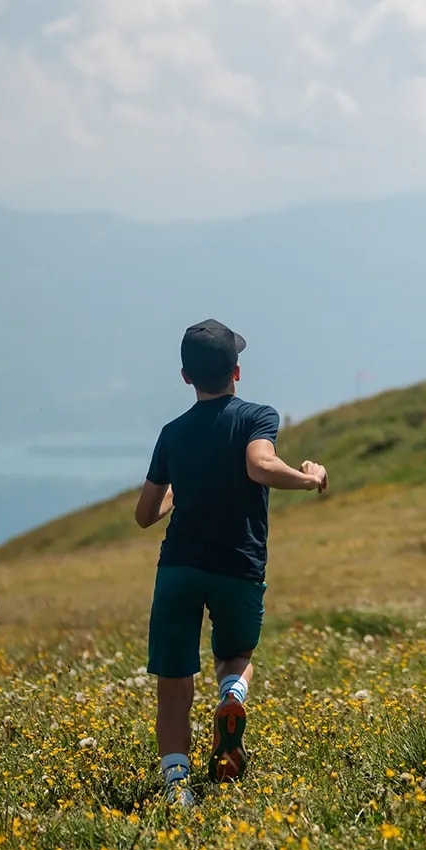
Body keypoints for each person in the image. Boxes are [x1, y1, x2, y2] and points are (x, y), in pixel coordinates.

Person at [134, 320, 328, 807]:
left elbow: (144, 514)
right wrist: (309, 478)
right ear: (236, 372)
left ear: (185, 377)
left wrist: (178, 493)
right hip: (237, 565)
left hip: (178, 567)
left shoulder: (172, 433)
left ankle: (178, 789)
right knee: (235, 657)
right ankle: (233, 699)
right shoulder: (256, 416)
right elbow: (259, 465)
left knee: (174, 682)